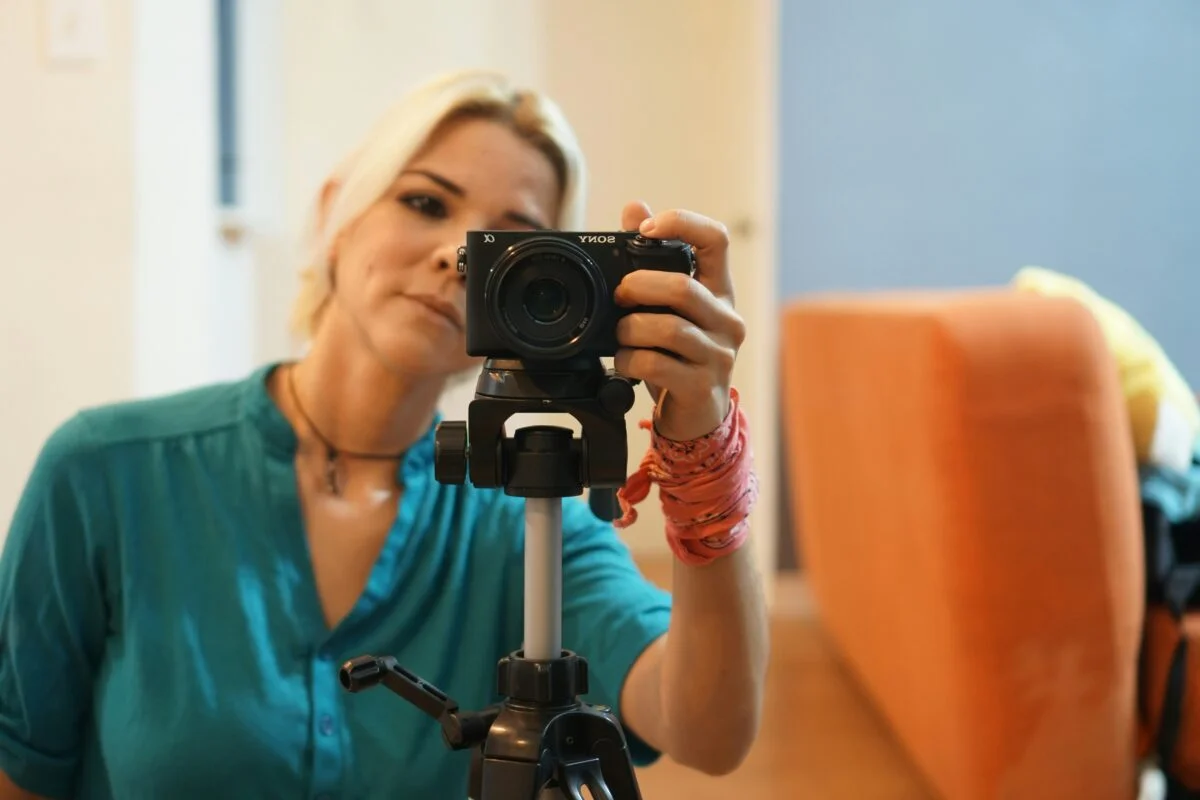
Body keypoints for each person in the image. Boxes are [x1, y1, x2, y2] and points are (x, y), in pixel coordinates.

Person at [0, 69, 768, 799]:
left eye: (509, 245)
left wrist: (702, 435)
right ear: (336, 213)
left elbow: (706, 727)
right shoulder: (107, 472)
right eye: (427, 203)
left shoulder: (529, 518)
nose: (455, 256)